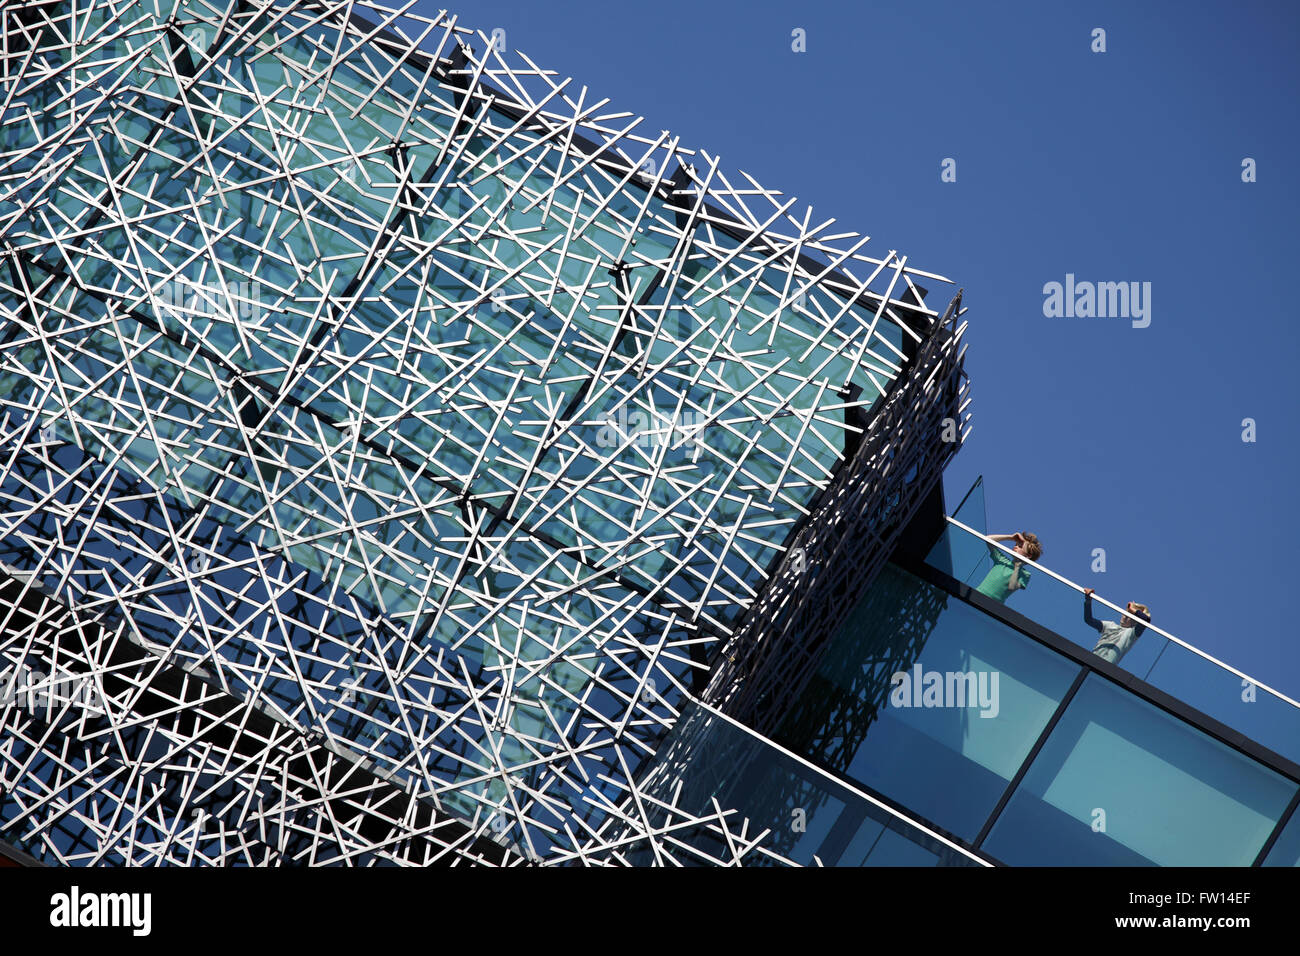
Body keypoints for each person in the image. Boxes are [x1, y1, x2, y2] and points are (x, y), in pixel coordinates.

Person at [1083, 588, 1151, 664]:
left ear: (1135, 623)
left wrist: (1132, 608)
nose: (1125, 616)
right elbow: (1088, 620)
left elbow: (1145, 620)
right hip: (1091, 660)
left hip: (1105, 668)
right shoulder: (1109, 625)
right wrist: (1088, 600)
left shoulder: (1131, 634)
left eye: (1129, 617)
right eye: (1125, 613)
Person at [975, 532, 1042, 603]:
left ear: (1028, 556)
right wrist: (1011, 537)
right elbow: (988, 539)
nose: (1015, 547)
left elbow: (1012, 586)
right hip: (977, 594)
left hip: (994, 605)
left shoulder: (1025, 574)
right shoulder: (1002, 560)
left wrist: (1017, 566)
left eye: (1020, 546)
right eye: (1016, 544)